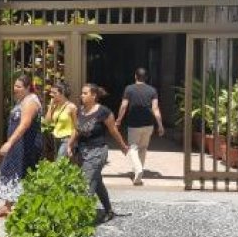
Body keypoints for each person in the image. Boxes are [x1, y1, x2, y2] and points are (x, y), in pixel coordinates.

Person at [68, 84, 129, 223]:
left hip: (97, 151)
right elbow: (76, 130)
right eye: (82, 93)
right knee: (97, 182)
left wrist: (123, 146)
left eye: (85, 93)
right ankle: (108, 210)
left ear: (94, 95)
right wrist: (70, 144)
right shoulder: (80, 111)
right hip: (82, 152)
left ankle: (80, 219)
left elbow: (113, 130)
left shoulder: (103, 112)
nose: (81, 96)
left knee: (86, 183)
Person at [0, 74, 43, 218]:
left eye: (19, 86)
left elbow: (25, 124)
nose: (15, 88)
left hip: (26, 144)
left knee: (23, 173)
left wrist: (9, 142)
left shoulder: (30, 101)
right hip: (18, 143)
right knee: (10, 171)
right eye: (15, 85)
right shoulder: (23, 100)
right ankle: (7, 206)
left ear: (28, 88)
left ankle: (22, 208)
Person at [116, 67, 165, 186]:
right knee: (143, 148)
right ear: (146, 78)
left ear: (135, 76)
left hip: (134, 123)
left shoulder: (129, 89)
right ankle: (139, 172)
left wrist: (118, 120)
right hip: (148, 124)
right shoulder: (152, 90)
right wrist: (160, 125)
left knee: (133, 148)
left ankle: (138, 170)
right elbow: (155, 109)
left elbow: (124, 106)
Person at [44, 81, 77, 159]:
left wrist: (70, 144)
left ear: (62, 93)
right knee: (59, 164)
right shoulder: (55, 106)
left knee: (59, 163)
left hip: (66, 138)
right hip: (55, 139)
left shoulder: (71, 107)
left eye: (54, 93)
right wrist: (50, 107)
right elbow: (47, 122)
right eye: (51, 92)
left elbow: (76, 127)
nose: (51, 95)